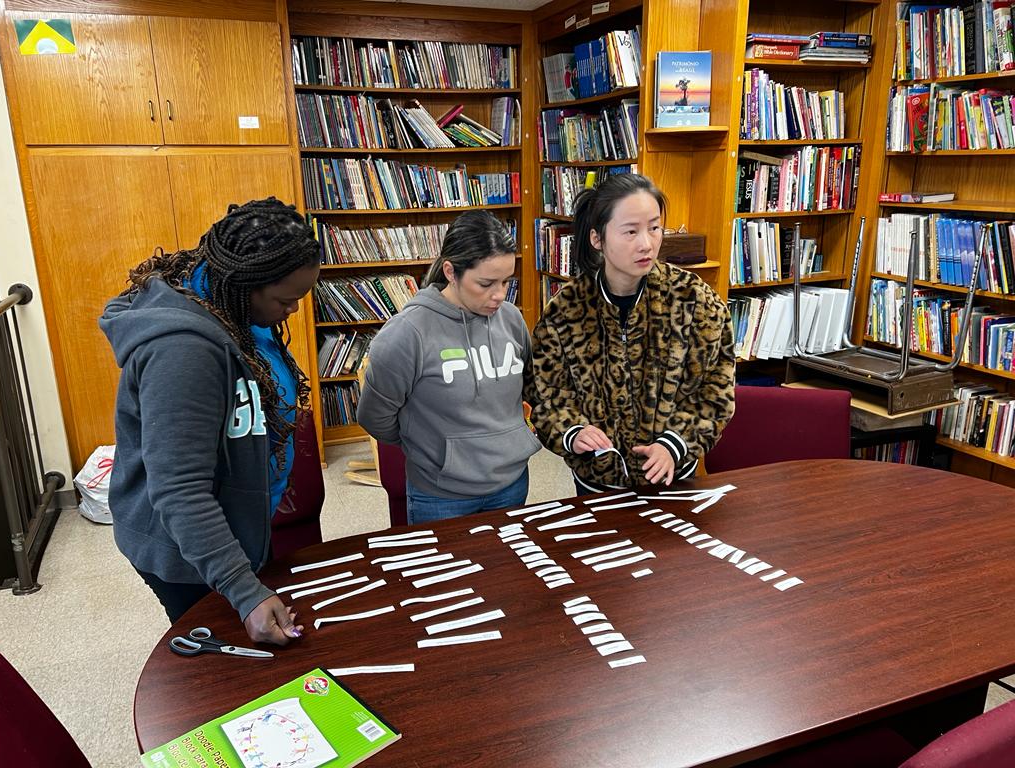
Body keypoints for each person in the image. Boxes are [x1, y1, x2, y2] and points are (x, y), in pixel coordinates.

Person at [100, 197, 320, 644]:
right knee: (225, 670)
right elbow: (180, 490)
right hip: (189, 552)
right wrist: (245, 592)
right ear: (246, 284)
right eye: (287, 299)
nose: (293, 310)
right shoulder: (183, 352)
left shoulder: (231, 304)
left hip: (235, 523)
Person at [526, 173, 735, 495]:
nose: (647, 244)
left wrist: (674, 445)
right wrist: (573, 432)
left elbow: (716, 391)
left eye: (654, 227)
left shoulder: (695, 300)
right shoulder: (565, 310)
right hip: (597, 482)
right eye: (631, 232)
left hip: (674, 477)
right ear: (598, 238)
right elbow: (546, 395)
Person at [357, 210, 540, 524]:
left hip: (511, 482)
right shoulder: (407, 333)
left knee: (509, 572)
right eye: (485, 283)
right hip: (441, 495)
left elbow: (528, 388)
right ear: (451, 272)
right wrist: (430, 448)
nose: (499, 295)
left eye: (505, 281)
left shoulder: (511, 319)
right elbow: (375, 416)